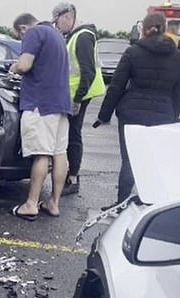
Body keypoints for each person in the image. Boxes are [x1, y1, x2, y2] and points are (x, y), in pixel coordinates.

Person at [94, 12, 180, 211]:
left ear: (143, 29)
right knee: (153, 159)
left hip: (131, 113)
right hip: (162, 114)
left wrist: (104, 115)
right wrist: (173, 115)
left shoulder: (133, 52)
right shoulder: (178, 57)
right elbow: (179, 91)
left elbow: (117, 85)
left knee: (129, 159)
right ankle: (150, 203)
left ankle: (120, 203)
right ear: (165, 30)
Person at [8, 13, 71, 220]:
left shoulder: (34, 33)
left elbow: (25, 65)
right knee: (59, 153)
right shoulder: (56, 35)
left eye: (19, 36)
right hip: (61, 104)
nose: (21, 40)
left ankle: (31, 204)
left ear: (23, 28)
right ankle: (53, 203)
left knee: (41, 153)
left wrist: (14, 67)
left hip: (41, 104)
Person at [51, 3, 106, 196]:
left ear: (67, 17)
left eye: (57, 22)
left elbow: (87, 71)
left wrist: (77, 99)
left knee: (73, 135)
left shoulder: (82, 37)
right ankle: (70, 175)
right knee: (71, 134)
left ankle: (73, 178)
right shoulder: (76, 36)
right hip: (75, 93)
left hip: (80, 94)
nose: (57, 27)